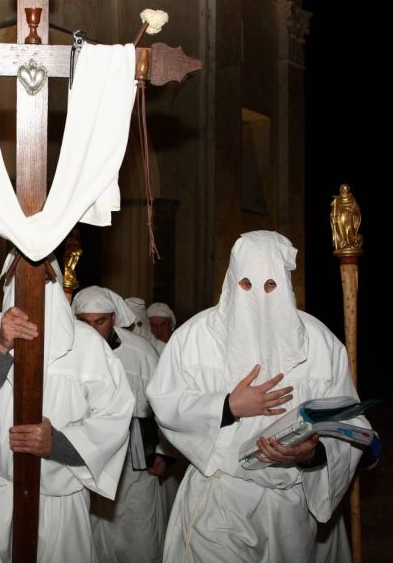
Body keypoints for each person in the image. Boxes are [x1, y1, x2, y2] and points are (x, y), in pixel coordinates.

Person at [146, 231, 371, 562]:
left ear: (285, 283)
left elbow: (349, 423)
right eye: (246, 286)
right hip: (221, 500)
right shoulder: (196, 337)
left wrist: (312, 454)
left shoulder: (321, 344)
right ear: (231, 280)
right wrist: (227, 406)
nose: (258, 299)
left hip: (289, 508)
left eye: (270, 286)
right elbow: (165, 401)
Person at [0, 254, 134, 563]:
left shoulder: (88, 345)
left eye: (42, 279)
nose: (31, 288)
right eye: (21, 278)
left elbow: (115, 417)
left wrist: (58, 444)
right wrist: (0, 348)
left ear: (54, 282)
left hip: (58, 504)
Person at [74, 286, 166, 563]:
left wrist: (163, 453)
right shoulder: (69, 351)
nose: (92, 330)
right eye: (84, 322)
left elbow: (164, 405)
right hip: (87, 454)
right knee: (91, 534)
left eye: (99, 321)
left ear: (113, 317)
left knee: (139, 535)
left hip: (135, 456)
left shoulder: (140, 351)